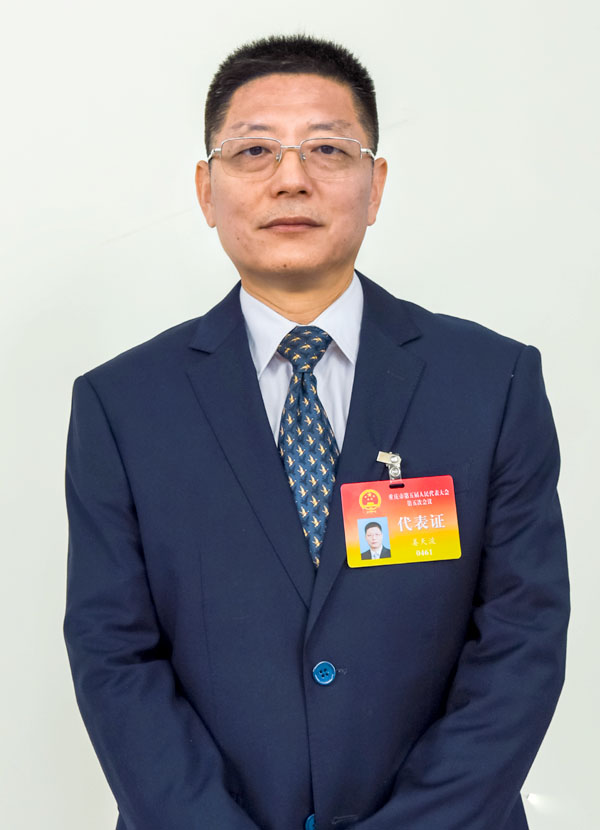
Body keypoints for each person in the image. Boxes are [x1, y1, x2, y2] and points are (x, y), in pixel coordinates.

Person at [64, 34, 569, 830]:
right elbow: (113, 653)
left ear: (376, 186)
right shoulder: (123, 405)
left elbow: (523, 638)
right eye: (254, 150)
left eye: (328, 149)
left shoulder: (491, 382)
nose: (292, 177)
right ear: (206, 190)